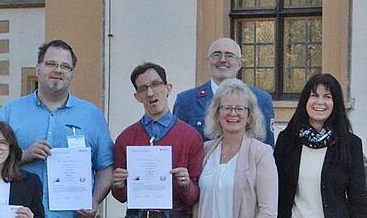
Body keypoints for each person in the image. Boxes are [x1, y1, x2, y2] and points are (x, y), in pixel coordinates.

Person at [0, 39, 114, 218]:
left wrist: (94, 200)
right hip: (18, 213)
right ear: (38, 69)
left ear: (71, 74)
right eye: (51, 64)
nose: (58, 70)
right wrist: (24, 155)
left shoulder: (91, 115)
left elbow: (106, 167)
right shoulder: (11, 111)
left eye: (65, 66)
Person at [112, 62, 202, 218]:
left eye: (156, 84)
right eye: (142, 89)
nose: (150, 93)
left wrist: (186, 184)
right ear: (137, 97)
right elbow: (121, 197)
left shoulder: (191, 137)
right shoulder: (126, 139)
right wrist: (118, 185)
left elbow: (193, 197)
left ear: (168, 88)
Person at [274, 73, 367, 218]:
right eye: (314, 95)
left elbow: (358, 201)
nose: (320, 102)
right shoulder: (286, 140)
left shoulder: (351, 144)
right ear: (305, 100)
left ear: (335, 103)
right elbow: (274, 190)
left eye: (327, 97)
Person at [196, 79, 277, 218]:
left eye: (239, 108)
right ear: (217, 113)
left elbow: (268, 211)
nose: (233, 113)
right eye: (226, 108)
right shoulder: (206, 150)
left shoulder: (261, 153)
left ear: (249, 116)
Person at [174, 37, 276, 146]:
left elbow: (267, 146)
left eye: (229, 55)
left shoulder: (261, 100)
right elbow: (177, 145)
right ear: (208, 61)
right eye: (216, 55)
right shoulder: (186, 101)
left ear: (240, 63)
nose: (222, 60)